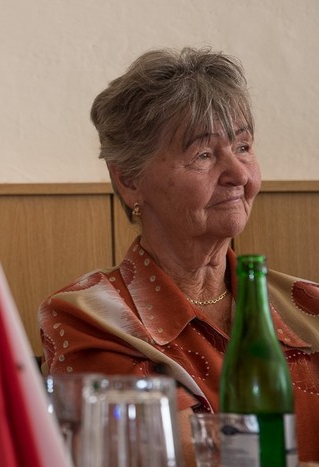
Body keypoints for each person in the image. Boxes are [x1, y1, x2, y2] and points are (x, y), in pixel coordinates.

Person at [39, 47, 319, 464]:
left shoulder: (308, 306)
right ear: (129, 180)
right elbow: (178, 453)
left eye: (243, 146)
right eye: (203, 154)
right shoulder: (90, 319)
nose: (239, 174)